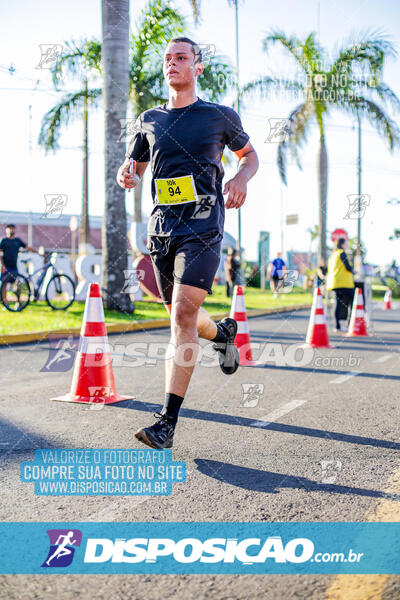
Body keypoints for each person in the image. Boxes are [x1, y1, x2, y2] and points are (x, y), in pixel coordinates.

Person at [117, 37, 258, 449]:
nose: (173, 63)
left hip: (203, 228)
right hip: (162, 231)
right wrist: (127, 176)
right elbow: (134, 168)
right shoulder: (149, 119)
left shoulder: (218, 116)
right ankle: (223, 334)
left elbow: (249, 156)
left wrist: (239, 178)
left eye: (181, 57)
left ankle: (166, 423)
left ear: (198, 67)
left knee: (180, 314)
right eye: (168, 59)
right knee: (183, 317)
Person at [0, 224, 38, 303]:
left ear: (15, 230)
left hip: (14, 266)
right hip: (6, 266)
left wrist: (38, 252)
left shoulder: (17, 240)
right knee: (4, 284)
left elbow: (27, 248)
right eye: (9, 229)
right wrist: (2, 265)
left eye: (12, 229)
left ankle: (18, 302)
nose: (11, 230)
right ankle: (5, 302)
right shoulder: (3, 240)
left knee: (18, 283)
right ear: (6, 230)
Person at [326, 238, 355, 332]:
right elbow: (347, 267)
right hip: (344, 283)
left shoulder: (332, 255)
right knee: (353, 301)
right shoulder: (341, 253)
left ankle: (337, 325)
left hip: (334, 283)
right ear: (342, 244)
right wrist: (353, 270)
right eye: (345, 244)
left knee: (338, 304)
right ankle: (351, 323)